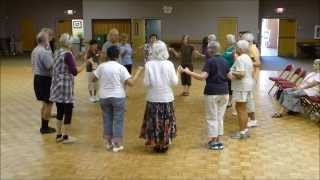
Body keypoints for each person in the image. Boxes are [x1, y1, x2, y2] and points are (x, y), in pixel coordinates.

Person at [181, 41, 230, 150]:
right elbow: (229, 76)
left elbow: (202, 77)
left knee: (212, 117)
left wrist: (188, 72)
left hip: (212, 93)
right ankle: (218, 140)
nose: (206, 51)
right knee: (219, 117)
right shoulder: (225, 61)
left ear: (211, 50)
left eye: (208, 49)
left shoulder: (210, 61)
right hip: (225, 93)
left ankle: (213, 141)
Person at [93, 46, 143, 152]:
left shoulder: (102, 67)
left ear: (107, 54)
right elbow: (131, 83)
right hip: (118, 97)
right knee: (118, 121)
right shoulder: (121, 68)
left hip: (104, 97)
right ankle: (117, 145)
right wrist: (138, 72)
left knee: (107, 119)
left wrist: (95, 68)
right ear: (118, 55)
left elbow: (93, 79)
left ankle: (108, 143)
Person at [140, 40, 179, 153]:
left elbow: (146, 83)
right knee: (166, 121)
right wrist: (178, 73)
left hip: (153, 98)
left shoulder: (149, 64)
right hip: (166, 98)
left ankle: (156, 143)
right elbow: (174, 82)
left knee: (154, 122)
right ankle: (165, 143)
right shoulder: (169, 64)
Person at [50, 33, 87, 144]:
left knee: (60, 110)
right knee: (68, 110)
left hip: (56, 84)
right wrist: (85, 64)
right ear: (69, 43)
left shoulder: (57, 52)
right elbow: (74, 71)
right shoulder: (68, 54)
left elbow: (65, 62)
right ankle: (66, 136)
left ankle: (58, 135)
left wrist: (75, 57)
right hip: (65, 85)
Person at [31, 31, 56, 134]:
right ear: (45, 40)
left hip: (37, 77)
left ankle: (44, 126)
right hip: (45, 79)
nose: (50, 40)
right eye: (48, 39)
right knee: (49, 104)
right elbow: (50, 65)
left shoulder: (35, 50)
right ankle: (45, 127)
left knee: (44, 103)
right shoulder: (44, 52)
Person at [229, 40, 254, 139]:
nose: (235, 49)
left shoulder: (240, 59)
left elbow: (241, 74)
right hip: (247, 86)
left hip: (241, 87)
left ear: (240, 49)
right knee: (244, 109)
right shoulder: (247, 57)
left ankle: (242, 132)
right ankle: (245, 130)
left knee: (240, 109)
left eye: (236, 47)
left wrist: (231, 72)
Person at [242, 33, 261, 128]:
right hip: (250, 77)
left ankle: (253, 120)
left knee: (249, 100)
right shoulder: (251, 48)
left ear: (248, 41)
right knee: (247, 99)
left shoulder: (252, 49)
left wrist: (245, 63)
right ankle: (250, 118)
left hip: (251, 78)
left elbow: (257, 63)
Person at [223, 34, 236, 109]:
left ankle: (230, 102)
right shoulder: (228, 48)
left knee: (230, 86)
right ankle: (227, 100)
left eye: (226, 39)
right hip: (225, 68)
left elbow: (234, 59)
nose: (226, 40)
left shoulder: (234, 48)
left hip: (230, 69)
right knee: (226, 85)